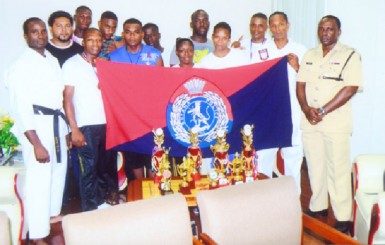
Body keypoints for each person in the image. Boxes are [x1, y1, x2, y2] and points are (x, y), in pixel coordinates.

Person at [296, 15, 363, 233]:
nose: (325, 33)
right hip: (311, 121)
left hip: (335, 122)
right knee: (315, 167)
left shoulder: (350, 55)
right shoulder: (310, 54)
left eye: (330, 29)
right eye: (322, 29)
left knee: (338, 170)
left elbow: (350, 88)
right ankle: (318, 208)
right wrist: (307, 110)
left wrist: (323, 110)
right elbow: (300, 85)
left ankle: (343, 217)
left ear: (338, 32)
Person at [5, 17, 67, 245]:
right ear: (25, 36)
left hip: (56, 123)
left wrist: (66, 130)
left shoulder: (50, 59)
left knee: (56, 176)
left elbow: (58, 98)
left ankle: (50, 221)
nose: (40, 36)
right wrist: (36, 143)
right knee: (39, 181)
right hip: (37, 126)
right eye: (34, 32)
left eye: (42, 32)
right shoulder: (20, 65)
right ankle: (37, 235)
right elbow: (21, 109)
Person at [63, 28, 118, 210]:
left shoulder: (104, 64)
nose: (95, 43)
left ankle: (102, 206)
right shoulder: (72, 64)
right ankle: (90, 212)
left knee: (105, 168)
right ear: (83, 42)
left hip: (106, 124)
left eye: (98, 39)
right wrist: (74, 129)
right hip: (86, 126)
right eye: (90, 39)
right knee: (89, 171)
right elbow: (67, 99)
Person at [256, 12, 307, 194]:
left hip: (292, 110)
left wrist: (297, 66)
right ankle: (263, 199)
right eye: (274, 25)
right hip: (268, 112)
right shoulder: (261, 50)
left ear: (288, 25)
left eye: (281, 24)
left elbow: (310, 80)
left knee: (293, 157)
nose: (278, 29)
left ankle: (293, 200)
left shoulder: (300, 50)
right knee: (263, 157)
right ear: (270, 28)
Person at [110, 18, 163, 179]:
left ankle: (155, 200)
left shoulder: (154, 55)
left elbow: (162, 84)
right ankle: (140, 200)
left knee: (152, 161)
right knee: (134, 164)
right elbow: (111, 86)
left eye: (136, 32)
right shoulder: (114, 56)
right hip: (128, 121)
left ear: (141, 34)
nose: (132, 36)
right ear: (123, 34)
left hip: (150, 119)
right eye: (128, 32)